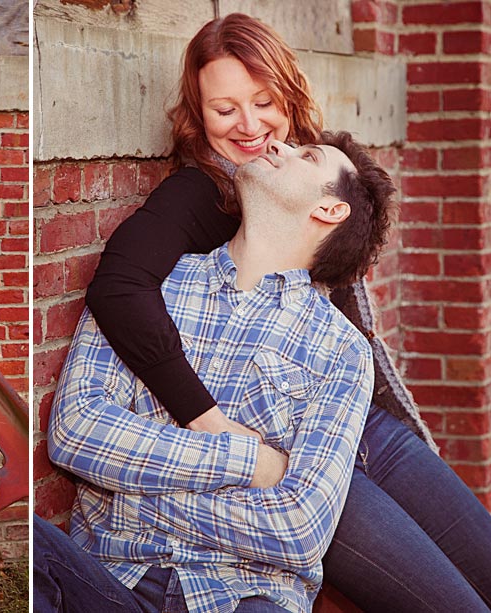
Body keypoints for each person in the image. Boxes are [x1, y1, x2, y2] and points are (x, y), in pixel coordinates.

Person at [83, 12, 491, 611]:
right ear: (199, 118)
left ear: (289, 94)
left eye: (265, 101)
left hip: (367, 424)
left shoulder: (319, 172)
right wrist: (206, 419)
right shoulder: (200, 194)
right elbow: (117, 288)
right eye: (225, 111)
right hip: (300, 457)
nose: (250, 126)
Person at [42, 131, 392, 613]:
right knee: (32, 543)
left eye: (304, 156)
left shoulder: (341, 349)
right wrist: (248, 460)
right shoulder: (151, 283)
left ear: (329, 210)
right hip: (113, 579)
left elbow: (300, 531)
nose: (275, 146)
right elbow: (76, 431)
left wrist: (125, 499)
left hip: (242, 596)